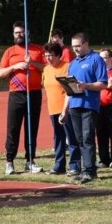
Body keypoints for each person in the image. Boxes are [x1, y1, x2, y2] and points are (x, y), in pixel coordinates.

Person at [0, 21, 46, 175]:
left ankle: (30, 161)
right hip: (16, 94)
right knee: (13, 128)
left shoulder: (38, 50)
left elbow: (47, 68)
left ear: (28, 32)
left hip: (34, 93)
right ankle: (9, 162)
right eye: (16, 32)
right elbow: (0, 74)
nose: (19, 35)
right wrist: (15, 67)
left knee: (32, 128)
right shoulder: (9, 51)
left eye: (22, 32)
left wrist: (32, 62)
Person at [60, 33, 108, 183]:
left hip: (89, 105)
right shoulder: (73, 63)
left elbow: (103, 84)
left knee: (87, 137)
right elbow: (69, 90)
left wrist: (86, 86)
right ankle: (83, 169)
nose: (75, 49)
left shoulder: (96, 59)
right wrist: (64, 110)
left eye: (78, 46)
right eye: (73, 47)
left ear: (86, 44)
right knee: (79, 139)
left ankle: (90, 170)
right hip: (74, 105)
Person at [42, 42, 81, 175]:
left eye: (51, 55)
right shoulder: (46, 69)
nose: (48, 58)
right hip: (52, 109)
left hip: (67, 109)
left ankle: (75, 165)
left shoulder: (67, 67)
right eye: (46, 55)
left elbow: (72, 89)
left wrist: (65, 110)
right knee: (58, 138)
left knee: (71, 137)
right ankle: (59, 165)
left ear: (59, 55)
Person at [96, 48, 112, 168]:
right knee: (101, 135)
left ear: (110, 59)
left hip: (111, 107)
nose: (102, 60)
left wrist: (98, 84)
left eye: (104, 58)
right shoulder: (97, 73)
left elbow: (110, 84)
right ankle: (104, 159)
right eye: (100, 58)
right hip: (99, 107)